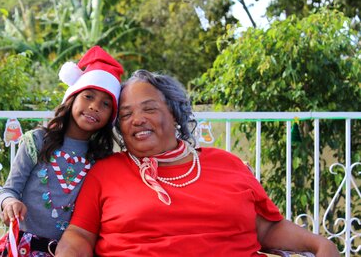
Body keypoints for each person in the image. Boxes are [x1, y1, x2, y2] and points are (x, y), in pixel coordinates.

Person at [55, 69, 339, 257]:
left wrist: (319, 243)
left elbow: (266, 228)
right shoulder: (107, 172)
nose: (137, 120)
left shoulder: (227, 164)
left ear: (176, 114)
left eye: (149, 109)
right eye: (126, 115)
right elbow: (80, 234)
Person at [0, 46, 124, 255]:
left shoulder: (102, 159)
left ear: (111, 115)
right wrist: (10, 202)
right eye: (88, 96)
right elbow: (7, 191)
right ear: (72, 97)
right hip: (25, 248)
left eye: (106, 104)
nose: (94, 107)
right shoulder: (36, 141)